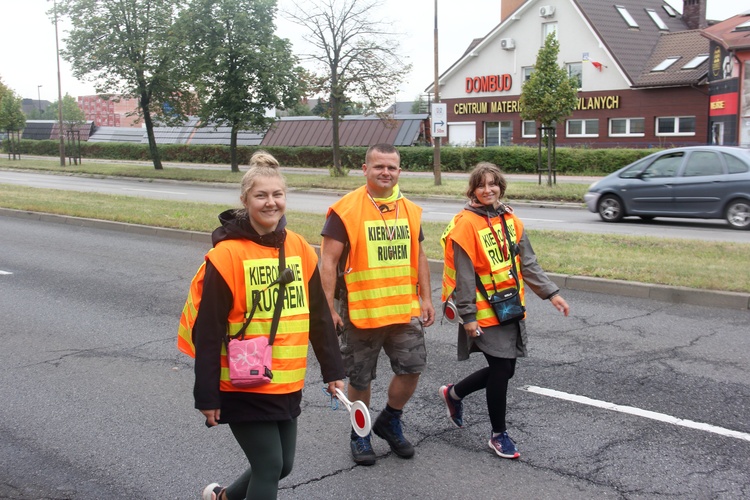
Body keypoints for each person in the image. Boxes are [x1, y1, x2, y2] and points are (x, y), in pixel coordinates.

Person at [177, 151, 345, 500]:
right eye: (261, 195)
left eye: (277, 195)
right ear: (245, 200)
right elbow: (207, 332)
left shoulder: (299, 247)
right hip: (243, 381)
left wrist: (333, 371)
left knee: (282, 466)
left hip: (286, 380)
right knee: (269, 466)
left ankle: (223, 497)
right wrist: (206, 395)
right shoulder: (226, 255)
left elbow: (318, 315)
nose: (271, 203)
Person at [438, 162, 569, 459]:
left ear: (501, 187)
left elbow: (528, 263)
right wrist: (468, 317)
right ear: (472, 190)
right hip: (483, 311)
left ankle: (453, 393)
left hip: (508, 306)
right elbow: (464, 275)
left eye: (493, 184)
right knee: (501, 368)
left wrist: (552, 294)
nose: (488, 190)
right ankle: (498, 434)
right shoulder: (465, 225)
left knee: (507, 369)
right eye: (481, 185)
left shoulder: (510, 218)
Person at [320, 143, 435, 466]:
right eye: (379, 166)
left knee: (412, 369)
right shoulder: (345, 210)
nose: (386, 172)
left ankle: (389, 419)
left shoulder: (410, 210)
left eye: (392, 167)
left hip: (403, 309)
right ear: (365, 169)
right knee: (360, 380)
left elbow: (420, 255)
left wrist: (426, 298)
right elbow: (327, 262)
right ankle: (360, 433)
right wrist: (328, 309)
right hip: (362, 312)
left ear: (400, 171)